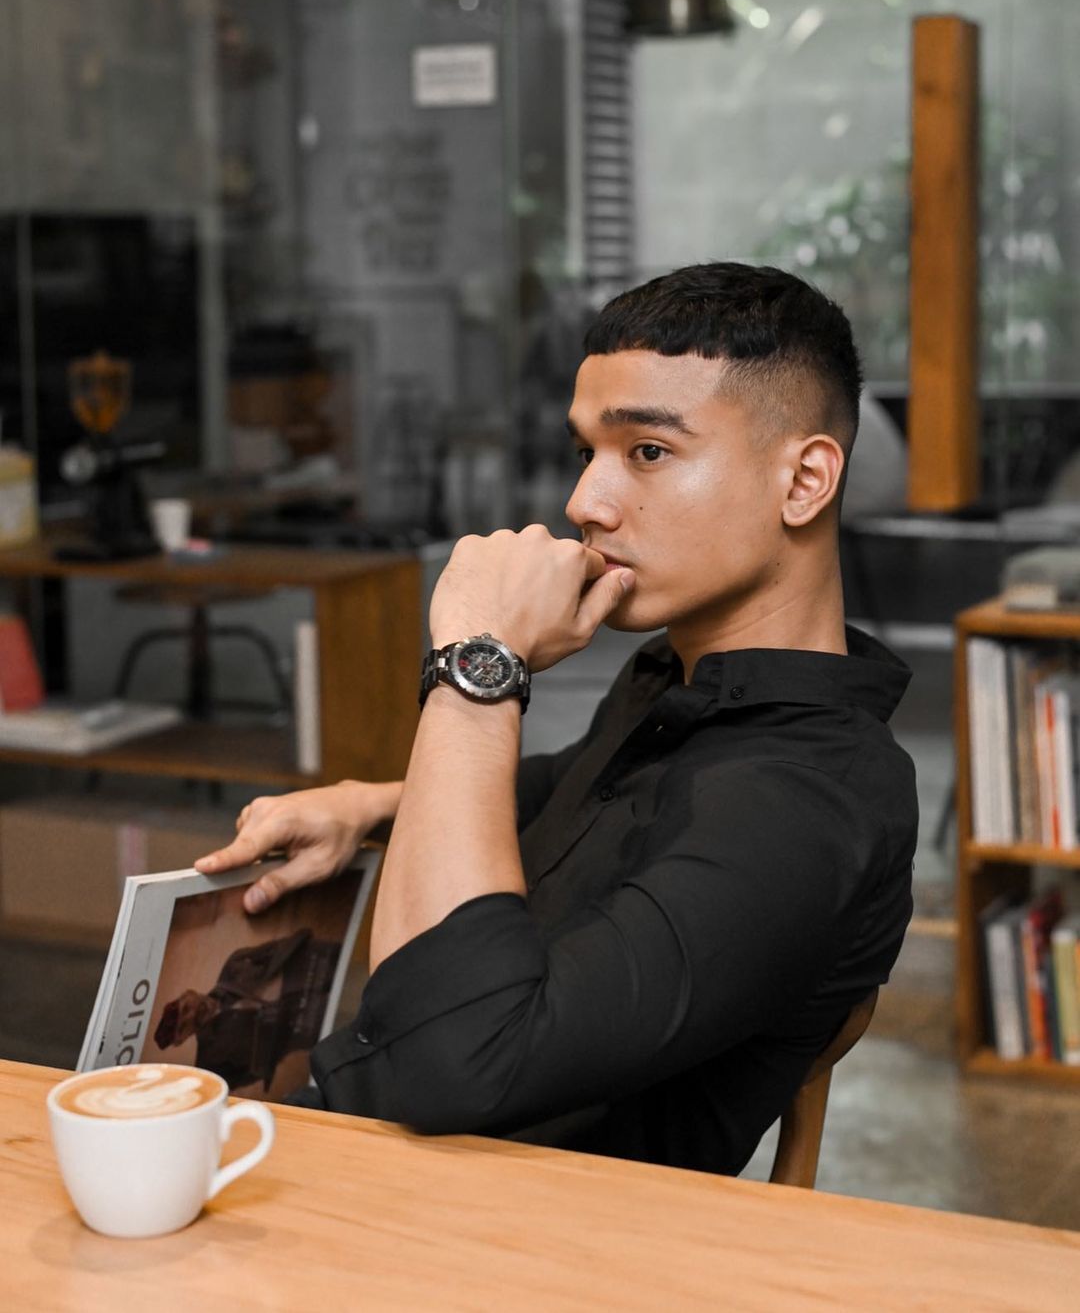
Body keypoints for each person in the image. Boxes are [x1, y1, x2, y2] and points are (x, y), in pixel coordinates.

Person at [195, 262, 918, 1176]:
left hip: (485, 1229)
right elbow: (574, 791)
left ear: (805, 481)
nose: (586, 503)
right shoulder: (681, 677)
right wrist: (367, 807)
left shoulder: (811, 803)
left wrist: (476, 664)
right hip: (357, 1133)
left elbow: (452, 1066)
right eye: (588, 453)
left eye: (647, 452)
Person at [152, 929, 339, 1093]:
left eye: (186, 1008)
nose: (192, 1016)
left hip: (325, 968)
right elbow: (251, 1074)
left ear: (188, 993)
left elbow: (281, 948)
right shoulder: (211, 1063)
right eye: (184, 1026)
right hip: (317, 1026)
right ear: (181, 1040)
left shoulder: (235, 965)